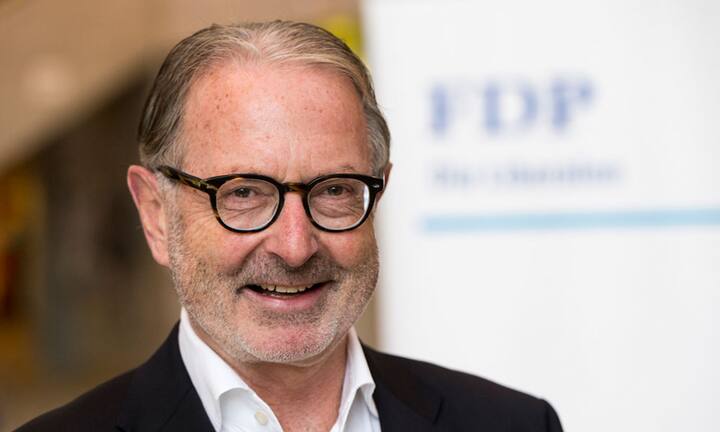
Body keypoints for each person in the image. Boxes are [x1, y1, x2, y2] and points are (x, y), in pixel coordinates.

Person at [17, 21, 562, 432]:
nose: (296, 246)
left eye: (334, 190)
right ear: (155, 215)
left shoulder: (512, 423)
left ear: (378, 193)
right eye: (243, 193)